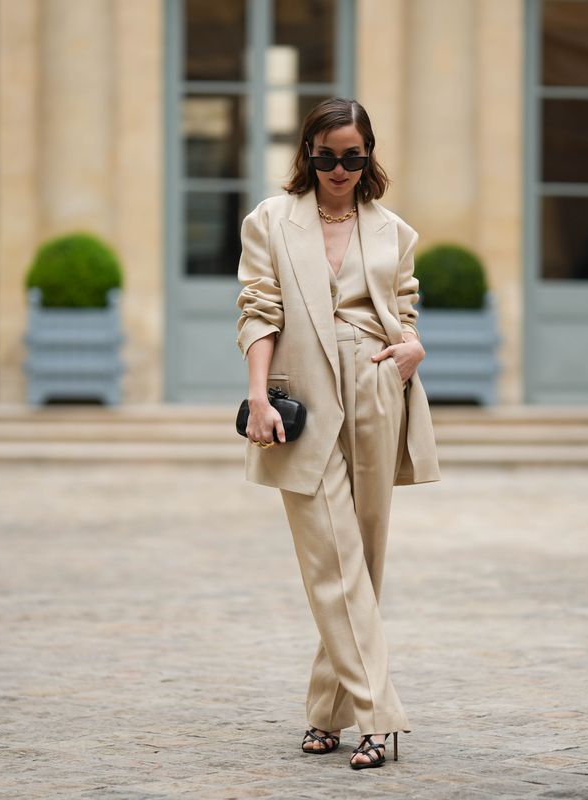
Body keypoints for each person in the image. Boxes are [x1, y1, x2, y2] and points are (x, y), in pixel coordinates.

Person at [234, 97, 441, 770]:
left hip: (379, 391)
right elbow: (259, 312)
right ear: (308, 154)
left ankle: (327, 711)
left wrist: (412, 350)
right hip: (304, 401)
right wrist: (258, 396)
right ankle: (379, 716)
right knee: (332, 558)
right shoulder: (270, 221)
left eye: (353, 157)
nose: (340, 170)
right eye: (328, 157)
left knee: (364, 562)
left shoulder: (394, 232)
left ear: (368, 156)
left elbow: (403, 313)